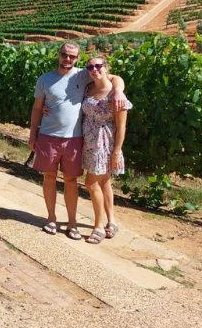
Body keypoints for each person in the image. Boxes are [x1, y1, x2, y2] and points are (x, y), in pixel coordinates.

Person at [28, 42, 125, 240]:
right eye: (65, 54)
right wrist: (32, 134)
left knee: (71, 181)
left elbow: (114, 77)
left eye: (72, 56)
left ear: (77, 58)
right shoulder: (45, 79)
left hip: (75, 139)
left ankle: (72, 223)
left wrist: (119, 91)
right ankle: (51, 218)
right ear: (59, 55)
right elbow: (37, 107)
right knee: (48, 178)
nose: (68, 59)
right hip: (48, 136)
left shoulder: (84, 74)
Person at [81, 55, 132, 244]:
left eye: (98, 66)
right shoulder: (88, 87)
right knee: (104, 182)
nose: (94, 69)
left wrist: (117, 151)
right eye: (90, 67)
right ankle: (111, 222)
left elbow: (121, 126)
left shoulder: (116, 94)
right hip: (88, 142)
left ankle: (98, 226)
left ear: (106, 67)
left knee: (90, 183)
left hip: (104, 143)